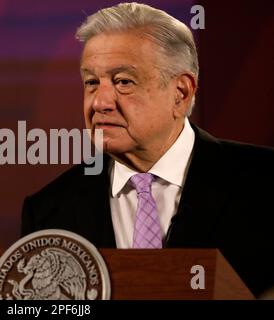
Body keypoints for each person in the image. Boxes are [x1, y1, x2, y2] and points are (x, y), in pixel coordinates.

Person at [20, 2, 274, 297]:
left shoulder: (265, 183)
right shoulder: (49, 212)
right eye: (91, 82)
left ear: (181, 92)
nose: (99, 103)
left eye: (123, 82)